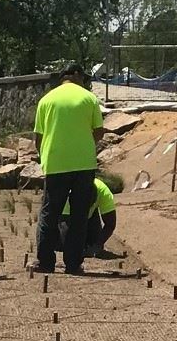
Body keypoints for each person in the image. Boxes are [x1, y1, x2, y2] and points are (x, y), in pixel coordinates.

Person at [33, 65, 104, 274]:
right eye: (83, 77)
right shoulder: (89, 98)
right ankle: (73, 264)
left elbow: (38, 137)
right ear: (75, 75)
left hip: (55, 164)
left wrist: (45, 155)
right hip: (83, 165)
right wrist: (83, 145)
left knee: (50, 212)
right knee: (79, 215)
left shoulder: (46, 100)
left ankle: (45, 262)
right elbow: (99, 132)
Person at [59, 176, 117, 256]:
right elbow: (65, 226)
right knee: (66, 246)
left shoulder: (103, 192)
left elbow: (110, 224)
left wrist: (97, 245)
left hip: (90, 217)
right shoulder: (66, 195)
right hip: (66, 218)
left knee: (93, 243)